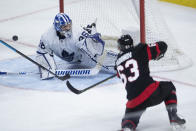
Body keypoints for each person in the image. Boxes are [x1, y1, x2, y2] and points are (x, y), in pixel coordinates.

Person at [115, 34, 186, 131]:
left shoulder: (117, 62)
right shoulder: (139, 50)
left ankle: (128, 127)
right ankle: (173, 117)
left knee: (128, 120)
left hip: (134, 100)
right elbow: (162, 45)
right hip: (151, 93)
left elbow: (119, 75)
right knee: (169, 87)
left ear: (120, 46)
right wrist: (158, 54)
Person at [36, 13, 117, 80]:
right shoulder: (47, 37)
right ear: (57, 27)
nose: (68, 28)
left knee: (96, 56)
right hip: (71, 59)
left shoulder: (77, 32)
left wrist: (93, 44)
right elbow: (42, 53)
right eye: (64, 26)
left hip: (82, 55)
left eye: (69, 25)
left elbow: (95, 51)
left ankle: (120, 63)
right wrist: (47, 70)